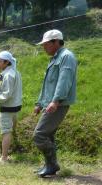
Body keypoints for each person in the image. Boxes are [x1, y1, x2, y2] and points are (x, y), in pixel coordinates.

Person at [33, 29, 77, 177]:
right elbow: (48, 84)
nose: (44, 47)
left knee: (40, 135)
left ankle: (52, 165)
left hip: (59, 103)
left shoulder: (66, 57)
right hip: (51, 103)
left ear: (56, 42)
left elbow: (64, 81)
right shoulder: (54, 59)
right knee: (48, 135)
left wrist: (56, 101)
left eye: (46, 44)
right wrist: (40, 103)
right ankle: (50, 165)